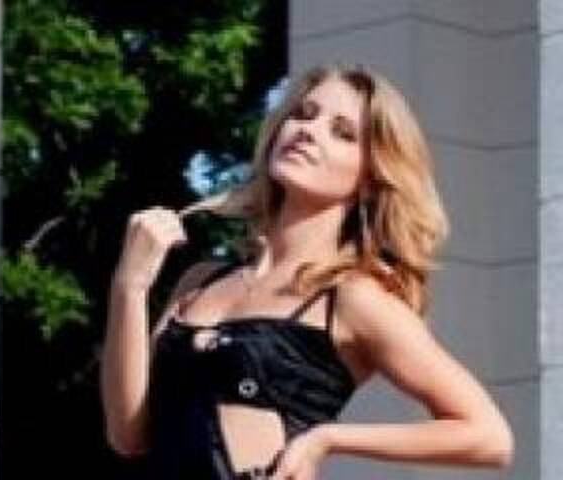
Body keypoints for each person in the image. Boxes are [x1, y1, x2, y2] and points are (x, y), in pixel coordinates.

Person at [100, 63, 515, 480]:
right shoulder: (200, 282)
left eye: (342, 133)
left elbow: (489, 437)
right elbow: (128, 434)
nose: (308, 131)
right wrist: (130, 286)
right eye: (303, 114)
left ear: (369, 180)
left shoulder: (353, 298)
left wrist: (329, 438)